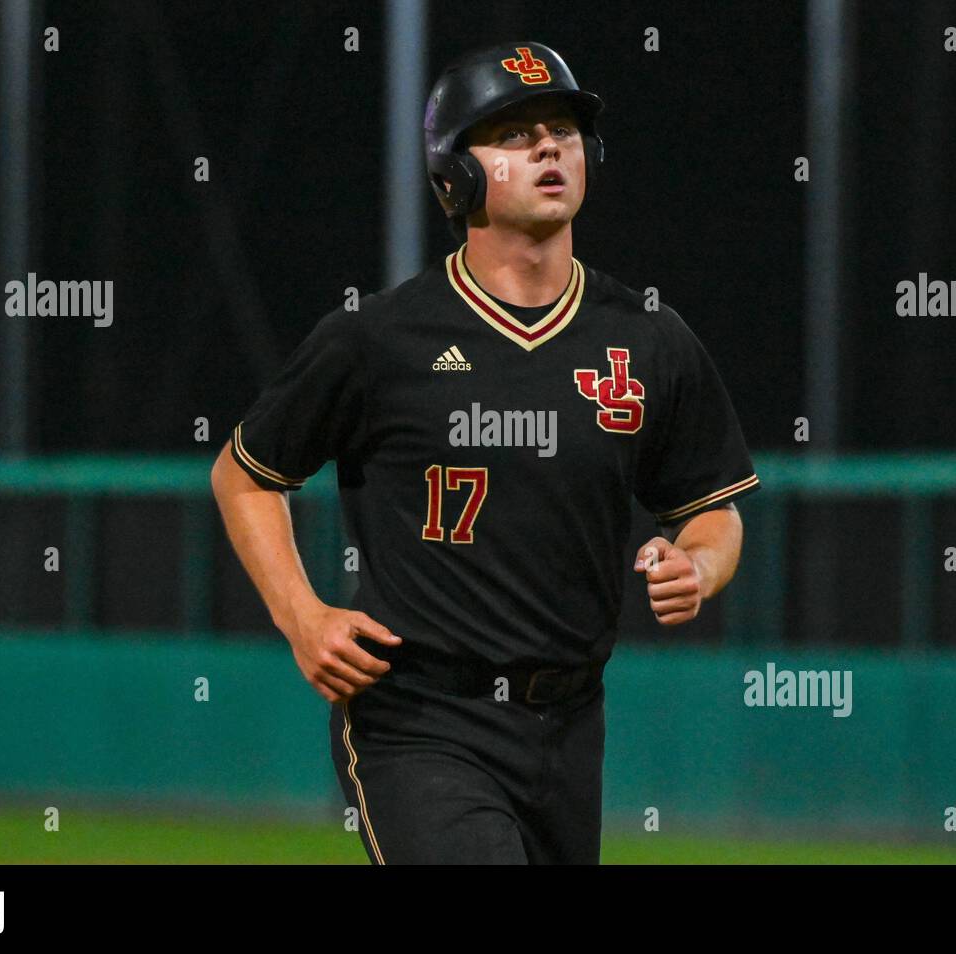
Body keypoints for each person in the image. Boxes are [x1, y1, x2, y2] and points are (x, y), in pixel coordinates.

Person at [210, 41, 760, 864]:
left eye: (564, 129)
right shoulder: (380, 340)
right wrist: (303, 617)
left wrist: (701, 566)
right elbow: (244, 474)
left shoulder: (649, 338)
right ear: (454, 177)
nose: (548, 146)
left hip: (570, 728)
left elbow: (711, 510)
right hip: (420, 718)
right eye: (512, 133)